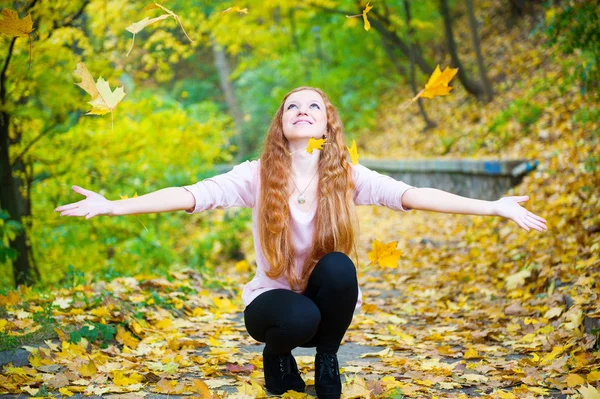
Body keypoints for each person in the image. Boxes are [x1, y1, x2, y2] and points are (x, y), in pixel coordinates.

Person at [54, 86, 548, 399]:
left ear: (328, 124)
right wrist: (116, 204)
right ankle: (277, 358)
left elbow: (413, 195)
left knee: (338, 268)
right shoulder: (256, 175)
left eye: (315, 105)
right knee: (298, 315)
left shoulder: (347, 174)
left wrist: (493, 207)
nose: (304, 110)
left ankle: (328, 359)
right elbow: (191, 195)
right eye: (293, 105)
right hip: (271, 308)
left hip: (323, 306)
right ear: (282, 123)